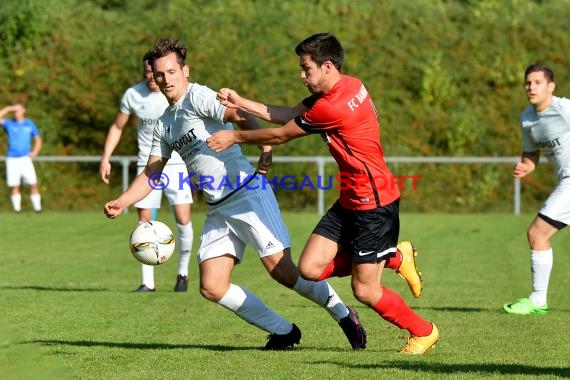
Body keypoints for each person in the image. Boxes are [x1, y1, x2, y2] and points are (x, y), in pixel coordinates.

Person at [104, 37, 367, 350]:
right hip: (218, 207)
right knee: (212, 285)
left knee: (282, 271)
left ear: (185, 71)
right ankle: (284, 331)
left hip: (247, 193)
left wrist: (264, 146)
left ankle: (342, 313)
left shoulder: (197, 96)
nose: (165, 79)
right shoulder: (164, 123)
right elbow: (152, 172)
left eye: (171, 71)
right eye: (159, 74)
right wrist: (122, 201)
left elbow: (236, 114)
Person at [207, 32, 438, 354]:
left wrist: (234, 138)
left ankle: (423, 330)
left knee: (365, 290)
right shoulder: (349, 85)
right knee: (310, 269)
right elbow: (287, 114)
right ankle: (394, 256)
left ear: (327, 66)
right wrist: (241, 101)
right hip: (350, 199)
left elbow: (281, 134)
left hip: (374, 202)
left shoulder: (332, 106)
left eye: (306, 69)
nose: (302, 76)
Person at [100, 52, 194, 293]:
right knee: (145, 223)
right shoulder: (133, 94)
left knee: (183, 219)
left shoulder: (175, 92)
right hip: (148, 167)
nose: (153, 78)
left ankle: (182, 274)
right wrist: (106, 157)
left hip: (177, 166)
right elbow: (117, 126)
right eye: (149, 74)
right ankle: (147, 282)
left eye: (157, 74)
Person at [503, 64, 570, 315]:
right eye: (528, 83)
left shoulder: (563, 109)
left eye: (537, 82)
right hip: (565, 181)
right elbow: (531, 154)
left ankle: (538, 299)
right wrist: (526, 167)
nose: (531, 87)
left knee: (537, 233)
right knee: (537, 235)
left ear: (551, 86)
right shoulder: (527, 118)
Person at [0, 103, 42, 213]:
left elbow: (38, 139)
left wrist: (35, 152)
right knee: (14, 185)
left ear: (24, 111)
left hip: (25, 159)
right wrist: (8, 108)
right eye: (14, 112)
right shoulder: (9, 124)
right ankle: (17, 210)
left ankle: (38, 209)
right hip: (12, 159)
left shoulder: (29, 124)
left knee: (33, 183)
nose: (15, 113)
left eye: (17, 110)